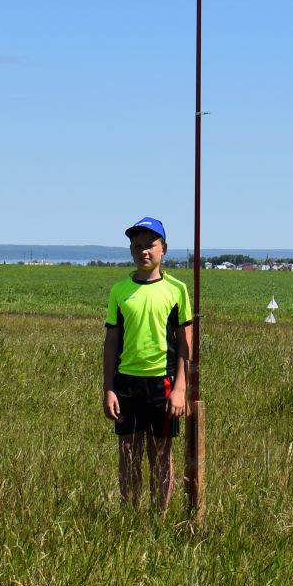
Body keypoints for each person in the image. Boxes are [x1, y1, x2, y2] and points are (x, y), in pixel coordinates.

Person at [103, 216, 195, 510]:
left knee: (161, 454)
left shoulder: (177, 290)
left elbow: (185, 343)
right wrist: (108, 388)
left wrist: (180, 388)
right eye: (137, 245)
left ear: (163, 249)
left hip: (163, 383)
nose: (144, 251)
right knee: (128, 452)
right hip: (127, 384)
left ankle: (159, 516)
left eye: (150, 245)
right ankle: (130, 515)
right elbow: (111, 342)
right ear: (131, 250)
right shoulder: (119, 291)